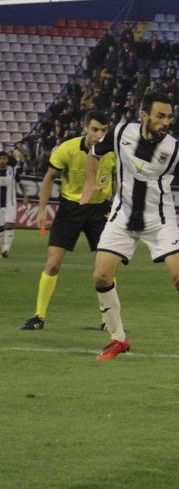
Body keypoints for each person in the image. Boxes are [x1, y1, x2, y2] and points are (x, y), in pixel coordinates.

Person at [79, 91, 179, 362]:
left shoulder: (176, 151)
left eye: (168, 116)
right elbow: (93, 154)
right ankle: (118, 339)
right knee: (101, 276)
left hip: (159, 222)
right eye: (160, 116)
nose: (165, 121)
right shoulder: (120, 133)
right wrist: (89, 181)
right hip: (122, 218)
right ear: (144, 116)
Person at [20, 111, 118, 331]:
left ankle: (109, 321)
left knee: (106, 270)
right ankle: (39, 317)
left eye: (104, 130)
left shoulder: (113, 152)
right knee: (53, 264)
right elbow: (49, 177)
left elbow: (119, 179)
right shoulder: (67, 149)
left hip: (99, 211)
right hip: (70, 209)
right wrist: (42, 210)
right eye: (95, 130)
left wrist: (115, 207)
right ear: (85, 129)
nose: (100, 135)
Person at [0, 149, 29, 258]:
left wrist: (25, 196)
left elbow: (20, 184)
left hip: (10, 204)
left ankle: (6, 250)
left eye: (4, 158)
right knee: (1, 228)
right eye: (0, 159)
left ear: (7, 160)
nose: (2, 161)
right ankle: (4, 249)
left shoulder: (13, 171)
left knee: (9, 225)